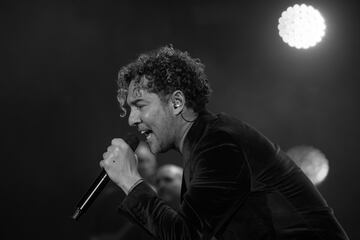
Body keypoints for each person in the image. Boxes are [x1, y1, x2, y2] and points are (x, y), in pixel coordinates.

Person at [99, 45, 349, 240]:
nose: (132, 119)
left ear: (176, 102)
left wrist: (131, 182)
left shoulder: (218, 143)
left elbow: (186, 236)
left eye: (140, 105)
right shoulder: (206, 143)